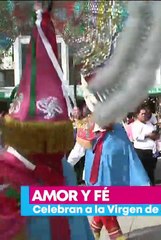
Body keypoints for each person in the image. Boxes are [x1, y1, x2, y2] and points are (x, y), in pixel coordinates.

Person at [0, 2, 93, 239]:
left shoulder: (64, 170)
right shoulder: (4, 173)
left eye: (56, 135)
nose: (50, 147)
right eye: (40, 135)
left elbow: (79, 224)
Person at [132, 105, 160, 185]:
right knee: (144, 172)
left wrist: (155, 135)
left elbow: (154, 133)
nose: (144, 115)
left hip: (152, 151)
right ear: (138, 115)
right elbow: (136, 137)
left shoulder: (149, 124)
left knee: (151, 172)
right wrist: (148, 135)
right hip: (141, 151)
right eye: (142, 114)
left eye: (145, 114)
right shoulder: (136, 124)